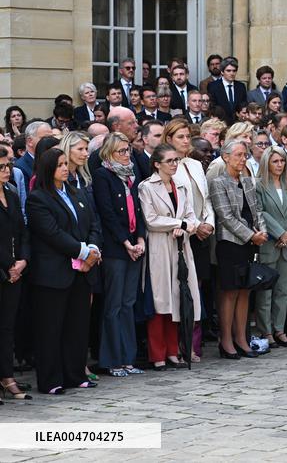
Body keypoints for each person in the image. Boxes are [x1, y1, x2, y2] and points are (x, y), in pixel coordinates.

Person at [26, 148, 102, 394]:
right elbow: (52, 233)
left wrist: (92, 248)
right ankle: (51, 380)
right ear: (49, 169)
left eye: (66, 164)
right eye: (60, 165)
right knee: (51, 328)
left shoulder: (76, 191)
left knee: (77, 327)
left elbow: (93, 223)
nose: (65, 168)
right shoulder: (38, 198)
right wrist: (83, 252)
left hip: (81, 271)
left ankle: (75, 374)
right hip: (53, 274)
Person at [137, 144, 201, 370]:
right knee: (159, 300)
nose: (175, 164)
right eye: (170, 161)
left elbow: (193, 217)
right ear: (157, 164)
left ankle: (174, 351)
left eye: (176, 160)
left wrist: (184, 227)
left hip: (180, 246)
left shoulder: (182, 186)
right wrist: (179, 223)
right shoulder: (146, 187)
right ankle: (158, 354)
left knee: (178, 298)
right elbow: (151, 219)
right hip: (159, 248)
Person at [93, 132, 146, 377]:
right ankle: (112, 359)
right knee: (113, 305)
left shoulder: (132, 177)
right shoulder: (104, 175)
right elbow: (107, 214)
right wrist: (126, 242)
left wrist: (141, 240)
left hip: (135, 247)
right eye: (121, 152)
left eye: (128, 151)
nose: (127, 155)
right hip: (116, 249)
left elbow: (139, 209)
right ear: (109, 154)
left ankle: (128, 358)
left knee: (128, 303)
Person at [209, 140, 267, 359]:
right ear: (225, 157)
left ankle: (241, 338)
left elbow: (257, 209)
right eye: (239, 155)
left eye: (245, 155)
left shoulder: (247, 180)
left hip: (251, 243)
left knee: (245, 291)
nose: (243, 159)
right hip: (230, 243)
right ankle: (226, 340)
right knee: (229, 291)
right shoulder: (218, 182)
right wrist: (251, 234)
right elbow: (225, 216)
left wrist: (261, 231)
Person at [162, 119, 214, 360]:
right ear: (169, 139)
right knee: (178, 290)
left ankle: (193, 345)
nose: (186, 141)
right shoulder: (165, 166)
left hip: (202, 232)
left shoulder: (194, 164)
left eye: (187, 136)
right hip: (181, 234)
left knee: (197, 289)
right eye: (180, 137)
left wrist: (209, 223)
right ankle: (178, 346)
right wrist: (194, 227)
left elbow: (205, 199)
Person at [255, 146, 287, 348]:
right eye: (275, 161)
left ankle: (280, 330)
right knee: (265, 291)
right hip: (270, 243)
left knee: (283, 291)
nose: (279, 165)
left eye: (282, 161)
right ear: (267, 163)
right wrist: (279, 232)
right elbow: (261, 212)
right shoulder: (258, 185)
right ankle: (266, 331)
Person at [0, 145, 31, 401]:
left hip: (14, 270)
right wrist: (8, 265)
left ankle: (7, 376)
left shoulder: (11, 192)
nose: (7, 171)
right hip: (3, 268)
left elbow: (21, 229)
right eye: (1, 167)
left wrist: (21, 261)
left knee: (7, 327)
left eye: (8, 166)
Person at [207, 57, 248, 124]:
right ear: (222, 72)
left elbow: (243, 105)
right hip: (220, 123)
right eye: (228, 71)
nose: (232, 73)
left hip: (237, 123)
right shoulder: (213, 86)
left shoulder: (241, 86)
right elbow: (213, 107)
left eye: (234, 71)